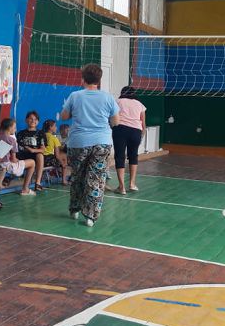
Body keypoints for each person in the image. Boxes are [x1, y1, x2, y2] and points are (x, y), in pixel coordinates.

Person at [60, 64, 120, 227]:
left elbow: (64, 116)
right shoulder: (108, 97)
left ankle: (75, 209)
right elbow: (116, 121)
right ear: (99, 80)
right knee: (96, 179)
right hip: (102, 143)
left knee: (77, 177)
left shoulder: (75, 96)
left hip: (78, 142)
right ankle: (90, 217)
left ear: (83, 79)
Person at [112, 85, 147, 195]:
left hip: (120, 129)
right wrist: (141, 135)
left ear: (122, 93)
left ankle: (121, 187)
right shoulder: (140, 104)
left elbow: (112, 117)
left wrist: (112, 127)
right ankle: (132, 184)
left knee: (119, 156)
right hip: (136, 131)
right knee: (133, 156)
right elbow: (143, 124)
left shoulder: (118, 101)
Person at [0, 118, 36, 195]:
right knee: (32, 162)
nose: (15, 129)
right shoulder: (11, 140)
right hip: (6, 166)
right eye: (14, 127)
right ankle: (25, 188)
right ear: (9, 128)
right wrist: (19, 160)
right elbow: (13, 159)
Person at [16, 111, 46, 191]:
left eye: (35, 119)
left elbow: (43, 149)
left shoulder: (41, 133)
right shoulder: (21, 133)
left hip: (35, 155)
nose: (33, 121)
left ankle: (37, 183)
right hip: (23, 155)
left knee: (40, 155)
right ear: (26, 120)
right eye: (31, 119)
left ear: (38, 121)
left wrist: (33, 150)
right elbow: (17, 147)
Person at [42, 119, 69, 185]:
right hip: (48, 161)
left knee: (62, 157)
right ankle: (64, 180)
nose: (56, 128)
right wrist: (62, 163)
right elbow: (57, 155)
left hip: (40, 159)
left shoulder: (41, 136)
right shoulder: (54, 138)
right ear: (50, 127)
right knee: (64, 156)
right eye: (55, 126)